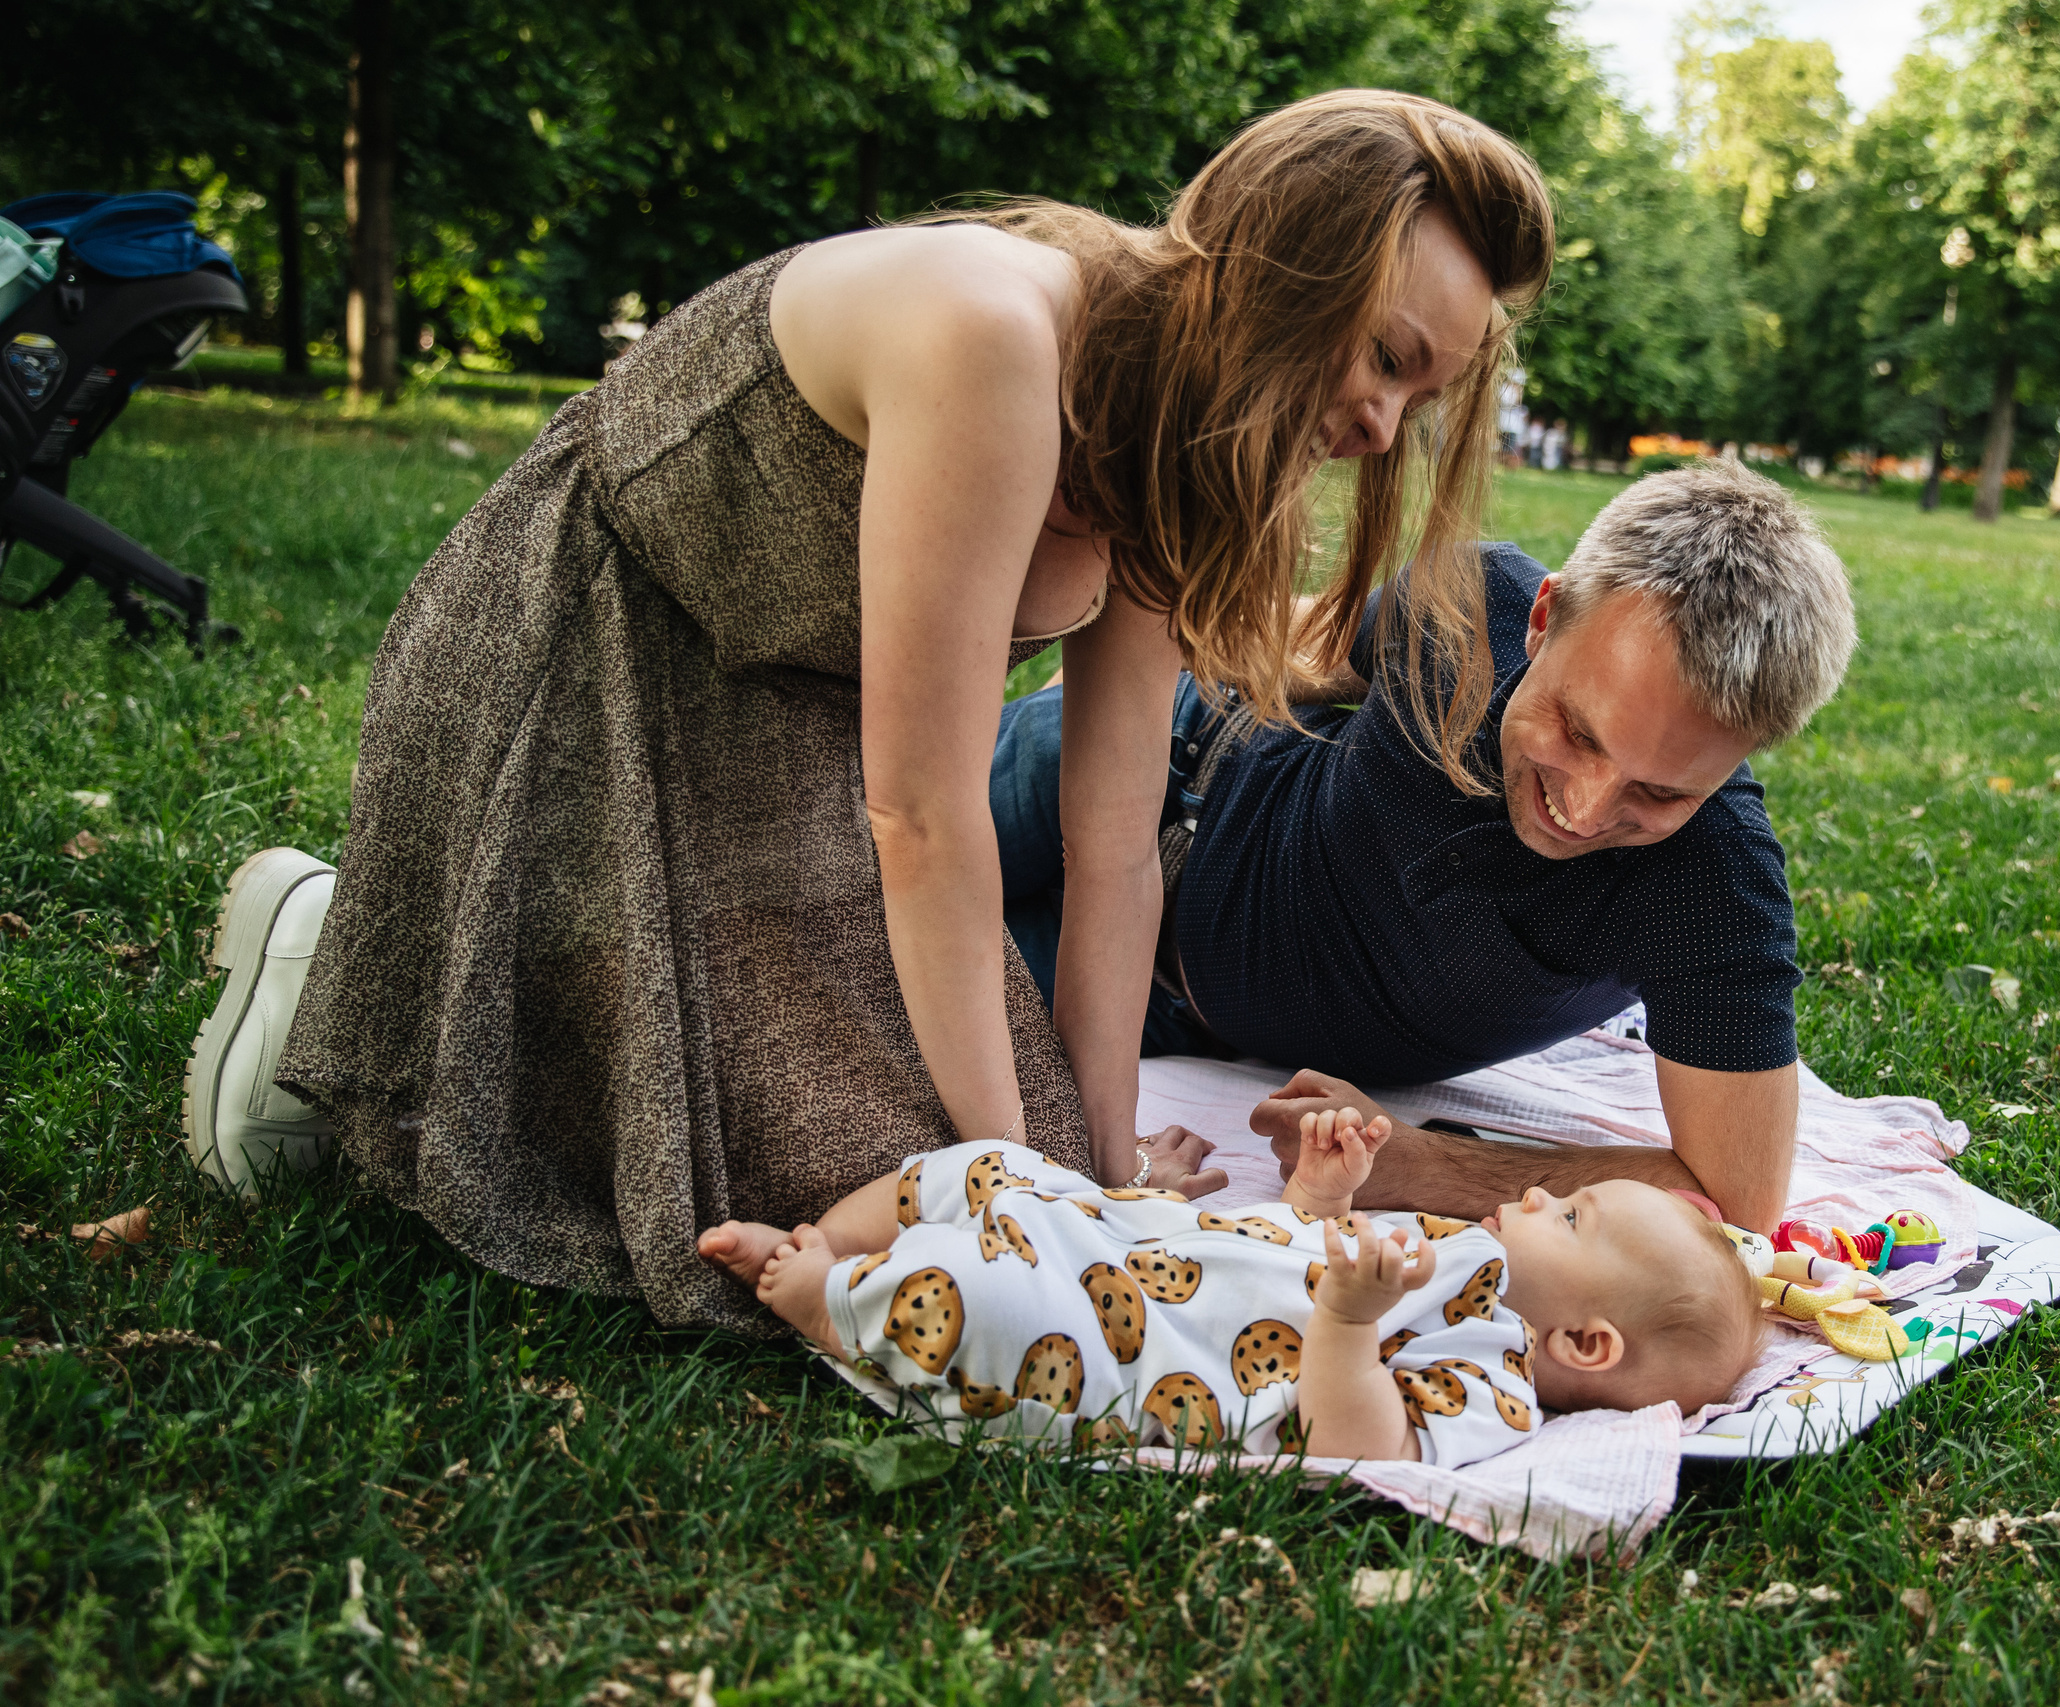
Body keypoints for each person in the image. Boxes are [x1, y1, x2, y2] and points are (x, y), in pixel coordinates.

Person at [180, 91, 1555, 1334]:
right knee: (815, 1208)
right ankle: (350, 947)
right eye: (1384, 356)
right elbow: (922, 810)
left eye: (1418, 399)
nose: (1383, 427)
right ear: (1278, 267)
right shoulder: (994, 336)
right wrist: (1015, 1192)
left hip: (793, 730)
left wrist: (1092, 1169)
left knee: (904, 1183)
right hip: (590, 647)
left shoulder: (1192, 453)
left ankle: (446, 972)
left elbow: (1116, 842)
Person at [988, 462, 1855, 1233]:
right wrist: (1125, 681)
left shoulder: (1716, 885)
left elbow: (1735, 1200)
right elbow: (1316, 646)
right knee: (879, 843)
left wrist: (1420, 1164)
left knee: (878, 977)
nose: (1586, 811)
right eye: (1576, 730)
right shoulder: (1470, 601)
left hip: (1163, 997)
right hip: (1167, 757)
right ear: (1544, 618)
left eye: (1661, 792)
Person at [715, 1105, 1761, 1460]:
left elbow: (1361, 1448)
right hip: (1128, 1240)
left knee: (973, 1299)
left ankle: (823, 1299)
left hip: (1123, 1349)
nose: (1536, 1197)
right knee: (988, 1165)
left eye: (1568, 1217)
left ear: (1586, 1343)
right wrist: (1322, 1195)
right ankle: (833, 1235)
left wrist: (1349, 1324)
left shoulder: (1497, 1383)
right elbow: (1287, 1246)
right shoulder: (1452, 1248)